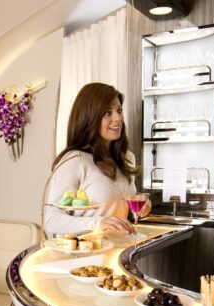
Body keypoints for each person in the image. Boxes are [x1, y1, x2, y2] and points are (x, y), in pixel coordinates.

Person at [44, 82, 150, 236]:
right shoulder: (75, 161)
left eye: (119, 110)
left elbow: (115, 209)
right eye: (107, 113)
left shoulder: (126, 158)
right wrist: (98, 223)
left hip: (117, 253)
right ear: (89, 117)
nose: (118, 118)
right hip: (85, 256)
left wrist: (140, 208)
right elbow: (51, 221)